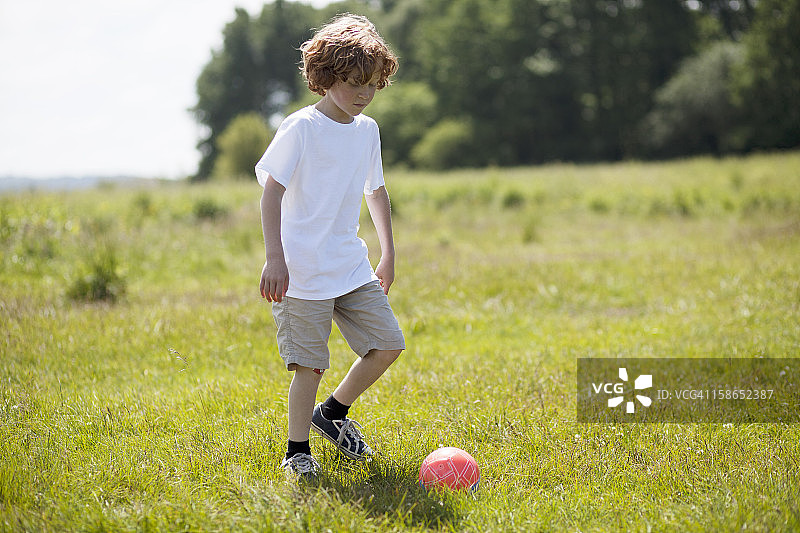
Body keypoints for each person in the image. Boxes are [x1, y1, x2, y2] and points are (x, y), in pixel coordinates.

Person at [255, 14, 404, 481]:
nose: (363, 93)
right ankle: (296, 451)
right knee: (310, 365)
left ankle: (332, 415)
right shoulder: (301, 128)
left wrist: (388, 253)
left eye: (372, 84)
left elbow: (374, 191)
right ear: (327, 77)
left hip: (349, 265)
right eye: (353, 82)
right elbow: (271, 191)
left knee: (387, 344)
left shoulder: (367, 131)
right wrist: (275, 258)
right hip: (300, 271)